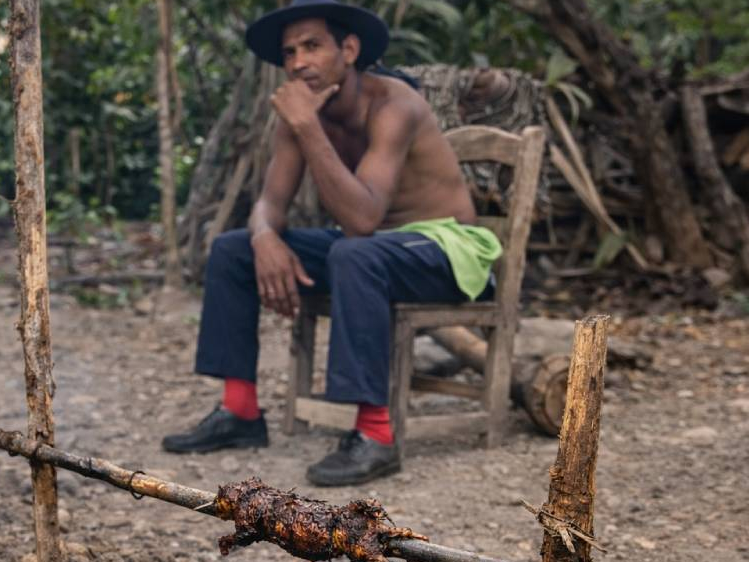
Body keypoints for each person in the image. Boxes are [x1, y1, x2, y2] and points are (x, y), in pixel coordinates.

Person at [161, 0, 501, 487]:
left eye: (312, 46)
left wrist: (305, 126)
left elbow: (362, 219)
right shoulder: (302, 116)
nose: (298, 63)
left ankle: (374, 436)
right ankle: (239, 412)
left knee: (353, 250)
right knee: (233, 248)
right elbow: (269, 204)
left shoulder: (394, 105)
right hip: (370, 251)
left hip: (446, 250)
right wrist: (263, 238)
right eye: (290, 52)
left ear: (349, 49)